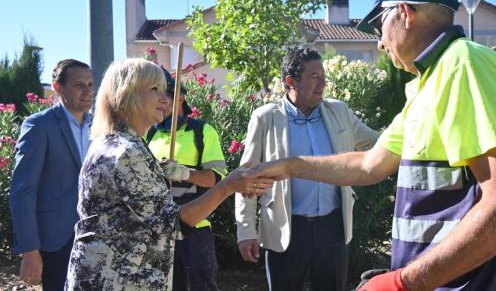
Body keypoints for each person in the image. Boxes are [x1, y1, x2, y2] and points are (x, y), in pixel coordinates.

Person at [238, 0, 496, 290]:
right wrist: (287, 166)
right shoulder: (426, 85)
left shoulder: (464, 64)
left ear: (404, 13)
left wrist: (403, 282)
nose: (380, 43)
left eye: (378, 25)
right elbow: (369, 163)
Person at [64, 58, 272, 290]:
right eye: (154, 89)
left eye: (165, 90)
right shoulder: (125, 151)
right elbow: (171, 224)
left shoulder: (118, 142)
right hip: (115, 280)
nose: (165, 98)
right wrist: (228, 185)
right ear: (126, 94)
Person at [235, 48, 379, 291]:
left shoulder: (339, 112)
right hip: (286, 229)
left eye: (323, 76)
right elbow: (247, 178)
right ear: (291, 82)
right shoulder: (265, 118)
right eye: (315, 77)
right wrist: (246, 230)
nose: (323, 83)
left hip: (333, 228)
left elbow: (377, 143)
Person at [10, 59, 93, 290]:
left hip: (97, 238)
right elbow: (23, 190)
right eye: (79, 85)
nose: (88, 91)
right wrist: (29, 250)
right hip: (57, 242)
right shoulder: (39, 125)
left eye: (90, 84)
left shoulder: (99, 127)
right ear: (58, 88)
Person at [147, 68, 227, 291]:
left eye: (164, 97)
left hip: (195, 226)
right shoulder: (149, 134)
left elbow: (217, 179)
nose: (159, 103)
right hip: (159, 227)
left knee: (201, 286)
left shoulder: (202, 132)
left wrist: (185, 173)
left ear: (179, 98)